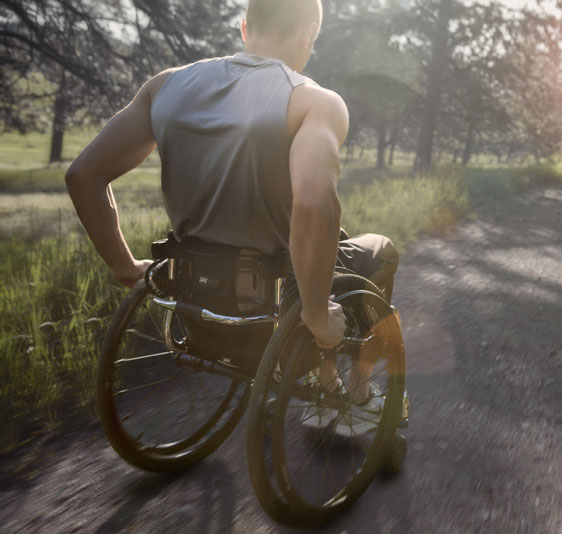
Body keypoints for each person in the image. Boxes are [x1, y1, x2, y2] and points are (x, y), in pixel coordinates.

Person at [65, 0, 398, 435]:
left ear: (245, 28)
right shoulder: (313, 102)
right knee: (381, 250)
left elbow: (83, 176)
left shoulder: (165, 87)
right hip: (279, 307)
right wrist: (317, 314)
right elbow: (315, 208)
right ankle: (352, 394)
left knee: (323, 244)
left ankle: (327, 381)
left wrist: (124, 267)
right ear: (308, 34)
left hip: (196, 308)